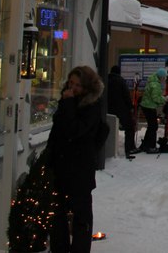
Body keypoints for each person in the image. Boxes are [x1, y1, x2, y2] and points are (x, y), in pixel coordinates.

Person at [47, 65, 107, 253]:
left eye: (77, 85)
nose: (72, 88)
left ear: (86, 87)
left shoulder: (90, 106)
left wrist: (68, 104)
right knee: (58, 216)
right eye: (70, 83)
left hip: (80, 170)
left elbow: (74, 131)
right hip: (61, 166)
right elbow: (57, 132)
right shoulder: (68, 102)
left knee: (81, 217)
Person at [107, 65, 138, 159]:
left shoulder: (106, 79)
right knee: (129, 128)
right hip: (121, 108)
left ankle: (108, 149)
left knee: (109, 128)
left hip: (108, 108)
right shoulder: (120, 81)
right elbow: (126, 95)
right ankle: (129, 148)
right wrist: (130, 106)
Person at [138, 68, 168, 153]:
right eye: (164, 77)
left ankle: (145, 145)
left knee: (151, 126)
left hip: (146, 106)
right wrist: (165, 99)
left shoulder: (152, 81)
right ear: (161, 77)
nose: (164, 79)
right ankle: (151, 147)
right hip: (149, 107)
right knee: (153, 127)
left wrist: (162, 98)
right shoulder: (156, 85)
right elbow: (156, 98)